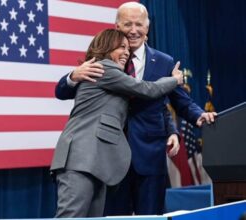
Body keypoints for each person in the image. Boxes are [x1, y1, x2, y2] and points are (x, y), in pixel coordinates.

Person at [54, 2, 217, 215]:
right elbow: (62, 92)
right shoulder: (101, 62)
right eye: (127, 24)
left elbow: (178, 102)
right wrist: (72, 76)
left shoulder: (164, 62)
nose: (133, 30)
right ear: (117, 26)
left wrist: (197, 115)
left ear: (147, 28)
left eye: (138, 24)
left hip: (149, 155)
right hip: (107, 157)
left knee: (150, 216)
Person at [50, 29, 183, 218]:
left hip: (97, 163)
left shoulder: (111, 75)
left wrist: (170, 129)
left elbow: (155, 107)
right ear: (106, 47)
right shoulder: (104, 68)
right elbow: (146, 89)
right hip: (81, 159)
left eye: (128, 49)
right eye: (122, 47)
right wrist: (175, 79)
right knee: (71, 216)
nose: (127, 52)